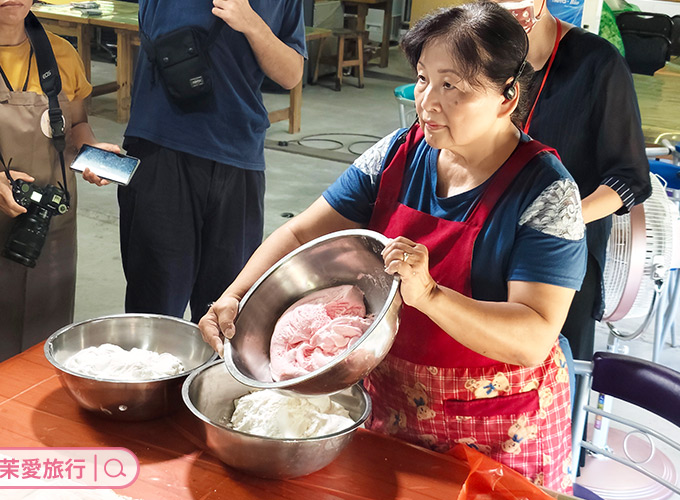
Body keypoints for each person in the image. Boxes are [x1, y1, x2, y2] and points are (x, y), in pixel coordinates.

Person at [200, 2, 586, 492]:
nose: (427, 102)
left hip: (499, 432)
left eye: (453, 87)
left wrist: (430, 295)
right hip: (391, 408)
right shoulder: (398, 154)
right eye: (424, 79)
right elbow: (301, 233)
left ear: (508, 96)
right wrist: (236, 295)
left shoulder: (546, 194)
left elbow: (532, 337)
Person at [0, 0, 120, 388]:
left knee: (45, 353)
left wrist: (90, 150)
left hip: (50, 233)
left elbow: (76, 124)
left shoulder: (61, 53)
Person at [118, 0, 306, 323]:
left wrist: (251, 23)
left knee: (227, 313)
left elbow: (291, 73)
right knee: (154, 316)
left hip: (240, 159)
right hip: (163, 150)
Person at [497, 0, 651, 363]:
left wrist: (557, 223)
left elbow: (629, 178)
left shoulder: (597, 64)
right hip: (483, 241)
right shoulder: (479, 52)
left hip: (560, 259)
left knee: (550, 377)